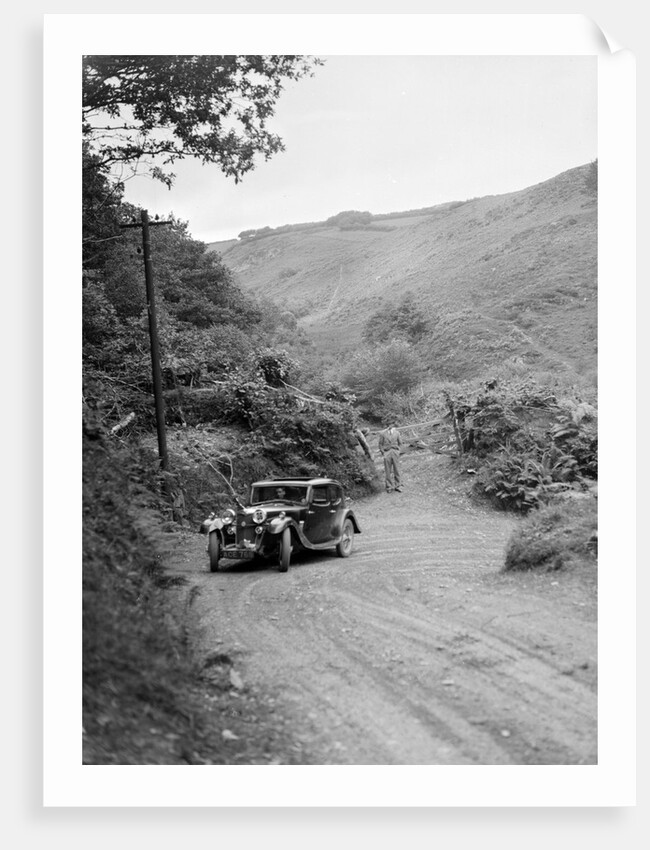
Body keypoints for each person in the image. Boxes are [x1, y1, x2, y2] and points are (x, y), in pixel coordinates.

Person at [378, 423, 403, 492]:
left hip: (395, 452)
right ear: (387, 425)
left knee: (397, 469)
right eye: (389, 424)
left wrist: (398, 452)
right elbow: (380, 444)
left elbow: (400, 443)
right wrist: (383, 452)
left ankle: (398, 485)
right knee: (387, 470)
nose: (390, 425)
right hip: (387, 453)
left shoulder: (397, 433)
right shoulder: (382, 433)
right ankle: (389, 486)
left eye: (392, 424)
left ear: (393, 425)